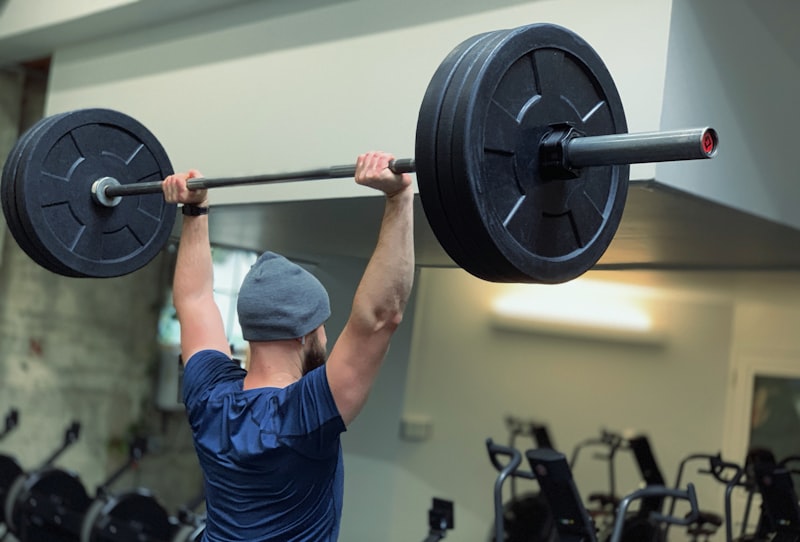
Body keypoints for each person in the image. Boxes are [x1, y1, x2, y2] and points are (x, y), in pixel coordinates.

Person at [162, 151, 415, 541]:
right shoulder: (304, 416)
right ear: (303, 333)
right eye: (321, 327)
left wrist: (196, 210)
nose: (326, 338)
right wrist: (399, 197)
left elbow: (194, 300)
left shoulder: (209, 397)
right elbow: (381, 317)